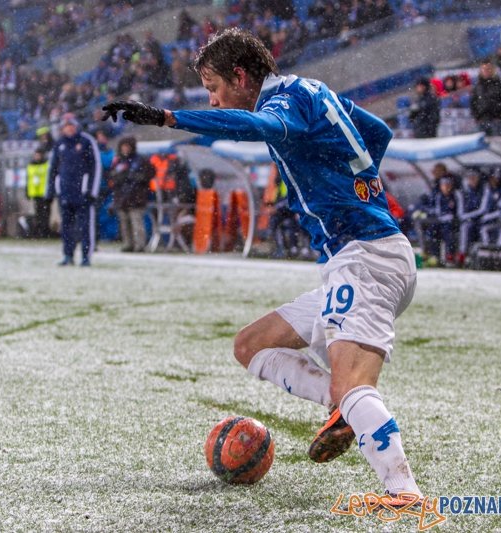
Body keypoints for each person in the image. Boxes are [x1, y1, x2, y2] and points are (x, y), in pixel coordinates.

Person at [103, 28, 422, 504]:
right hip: (363, 253)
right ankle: (341, 407)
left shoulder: (283, 103)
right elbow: (378, 133)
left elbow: (262, 128)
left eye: (214, 88)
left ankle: (405, 495)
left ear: (240, 76)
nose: (213, 101)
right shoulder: (312, 91)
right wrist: (349, 182)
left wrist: (169, 117)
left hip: (364, 256)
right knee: (252, 346)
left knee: (355, 385)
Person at [45, 113, 101, 266]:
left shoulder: (86, 141)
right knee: (66, 227)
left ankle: (86, 256)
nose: (69, 129)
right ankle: (68, 255)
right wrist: (50, 190)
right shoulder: (59, 144)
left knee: (85, 226)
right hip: (65, 192)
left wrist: (91, 191)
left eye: (71, 126)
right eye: (66, 126)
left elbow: (95, 167)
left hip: (82, 193)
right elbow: (53, 169)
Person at [110, 136, 155, 253]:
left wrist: (140, 178)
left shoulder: (140, 160)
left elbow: (150, 173)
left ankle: (139, 245)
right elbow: (112, 176)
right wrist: (120, 178)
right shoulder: (118, 161)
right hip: (122, 197)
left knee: (136, 222)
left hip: (137, 197)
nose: (125, 149)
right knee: (124, 223)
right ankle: (128, 243)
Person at [470, 60, 501, 137]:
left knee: (497, 144)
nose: (486, 71)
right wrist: (477, 117)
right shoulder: (478, 85)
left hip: (496, 120)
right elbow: (473, 102)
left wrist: (500, 116)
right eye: (484, 69)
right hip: (482, 120)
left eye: (488, 69)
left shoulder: (499, 84)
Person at [26, 148, 53, 238]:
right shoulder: (31, 165)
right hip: (36, 194)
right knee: (38, 214)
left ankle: (45, 232)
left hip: (45, 193)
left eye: (38, 155)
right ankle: (39, 232)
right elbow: (28, 179)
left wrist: (51, 192)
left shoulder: (46, 165)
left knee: (45, 214)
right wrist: (27, 191)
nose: (37, 157)